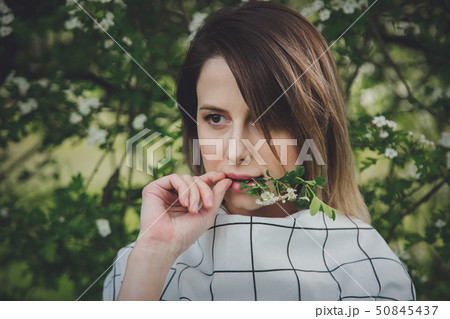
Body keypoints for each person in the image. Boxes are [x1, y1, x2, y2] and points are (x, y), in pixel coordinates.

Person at [103, 1, 415, 301]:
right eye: (215, 118)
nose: (236, 151)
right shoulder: (138, 265)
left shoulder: (365, 267)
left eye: (268, 120)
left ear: (314, 125)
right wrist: (154, 254)